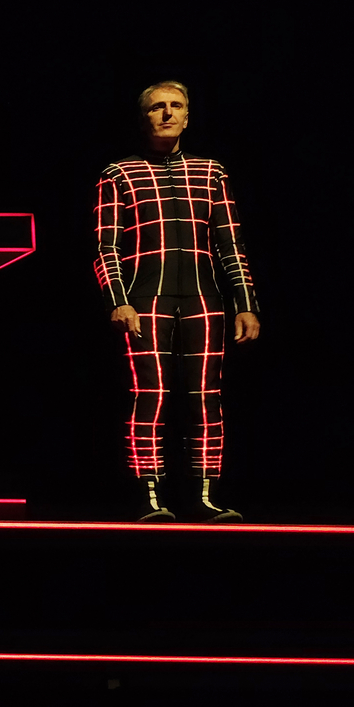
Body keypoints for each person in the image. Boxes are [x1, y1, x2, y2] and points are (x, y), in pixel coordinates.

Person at [94, 80, 260, 522]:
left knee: (206, 397)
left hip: (205, 300)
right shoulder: (119, 173)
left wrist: (246, 303)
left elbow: (230, 244)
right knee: (150, 395)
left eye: (176, 105)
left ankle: (204, 496)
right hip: (145, 301)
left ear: (187, 116)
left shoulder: (211, 172)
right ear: (143, 117)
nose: (167, 113)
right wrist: (118, 300)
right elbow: (106, 247)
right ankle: (149, 495)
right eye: (158, 107)